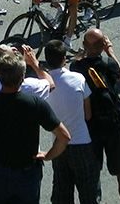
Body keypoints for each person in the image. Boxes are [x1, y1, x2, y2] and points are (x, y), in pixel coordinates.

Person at [0, 49, 70, 204]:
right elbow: (64, 137)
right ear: (22, 76)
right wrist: (48, 155)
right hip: (27, 174)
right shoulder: (35, 103)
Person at [71, 29, 120, 201]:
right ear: (102, 45)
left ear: (84, 45)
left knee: (92, 174)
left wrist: (83, 51)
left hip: (91, 126)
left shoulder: (76, 68)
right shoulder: (108, 63)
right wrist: (110, 51)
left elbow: (76, 62)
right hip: (113, 124)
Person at [38, 40, 97, 204]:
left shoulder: (43, 86)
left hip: (59, 147)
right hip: (82, 143)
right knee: (89, 194)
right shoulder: (78, 79)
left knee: (62, 195)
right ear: (64, 59)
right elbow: (88, 114)